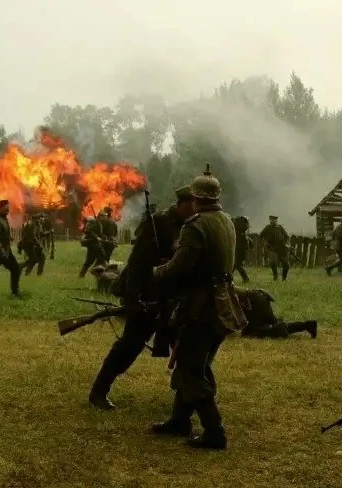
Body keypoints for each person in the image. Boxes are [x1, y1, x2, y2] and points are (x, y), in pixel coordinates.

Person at [151, 166, 241, 450]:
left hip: (200, 306)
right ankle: (180, 421)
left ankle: (215, 431)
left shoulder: (196, 225)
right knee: (195, 360)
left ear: (195, 197)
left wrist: (156, 272)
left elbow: (181, 266)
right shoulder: (225, 220)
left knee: (191, 367)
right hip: (221, 300)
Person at [88, 186, 195, 410]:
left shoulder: (190, 225)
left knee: (184, 347)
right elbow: (137, 263)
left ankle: (186, 404)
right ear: (184, 202)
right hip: (147, 292)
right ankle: (99, 391)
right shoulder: (158, 222)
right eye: (194, 203)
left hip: (171, 295)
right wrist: (134, 297)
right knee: (130, 346)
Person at [236, 287, 317, 339]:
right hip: (258, 297)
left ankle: (278, 328)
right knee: (269, 324)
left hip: (254, 302)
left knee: (251, 333)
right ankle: (307, 325)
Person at [260, 215, 290, 281]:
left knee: (286, 265)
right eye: (271, 219)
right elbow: (261, 235)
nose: (272, 221)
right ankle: (275, 277)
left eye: (274, 220)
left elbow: (286, 236)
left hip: (281, 248)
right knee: (273, 263)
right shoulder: (267, 228)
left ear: (276, 220)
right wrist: (265, 242)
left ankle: (284, 278)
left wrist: (286, 244)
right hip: (272, 248)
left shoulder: (280, 227)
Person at [231, 216, 252, 283]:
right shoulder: (242, 232)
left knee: (237, 264)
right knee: (236, 264)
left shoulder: (239, 231)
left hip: (239, 249)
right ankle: (227, 277)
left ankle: (246, 279)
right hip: (240, 249)